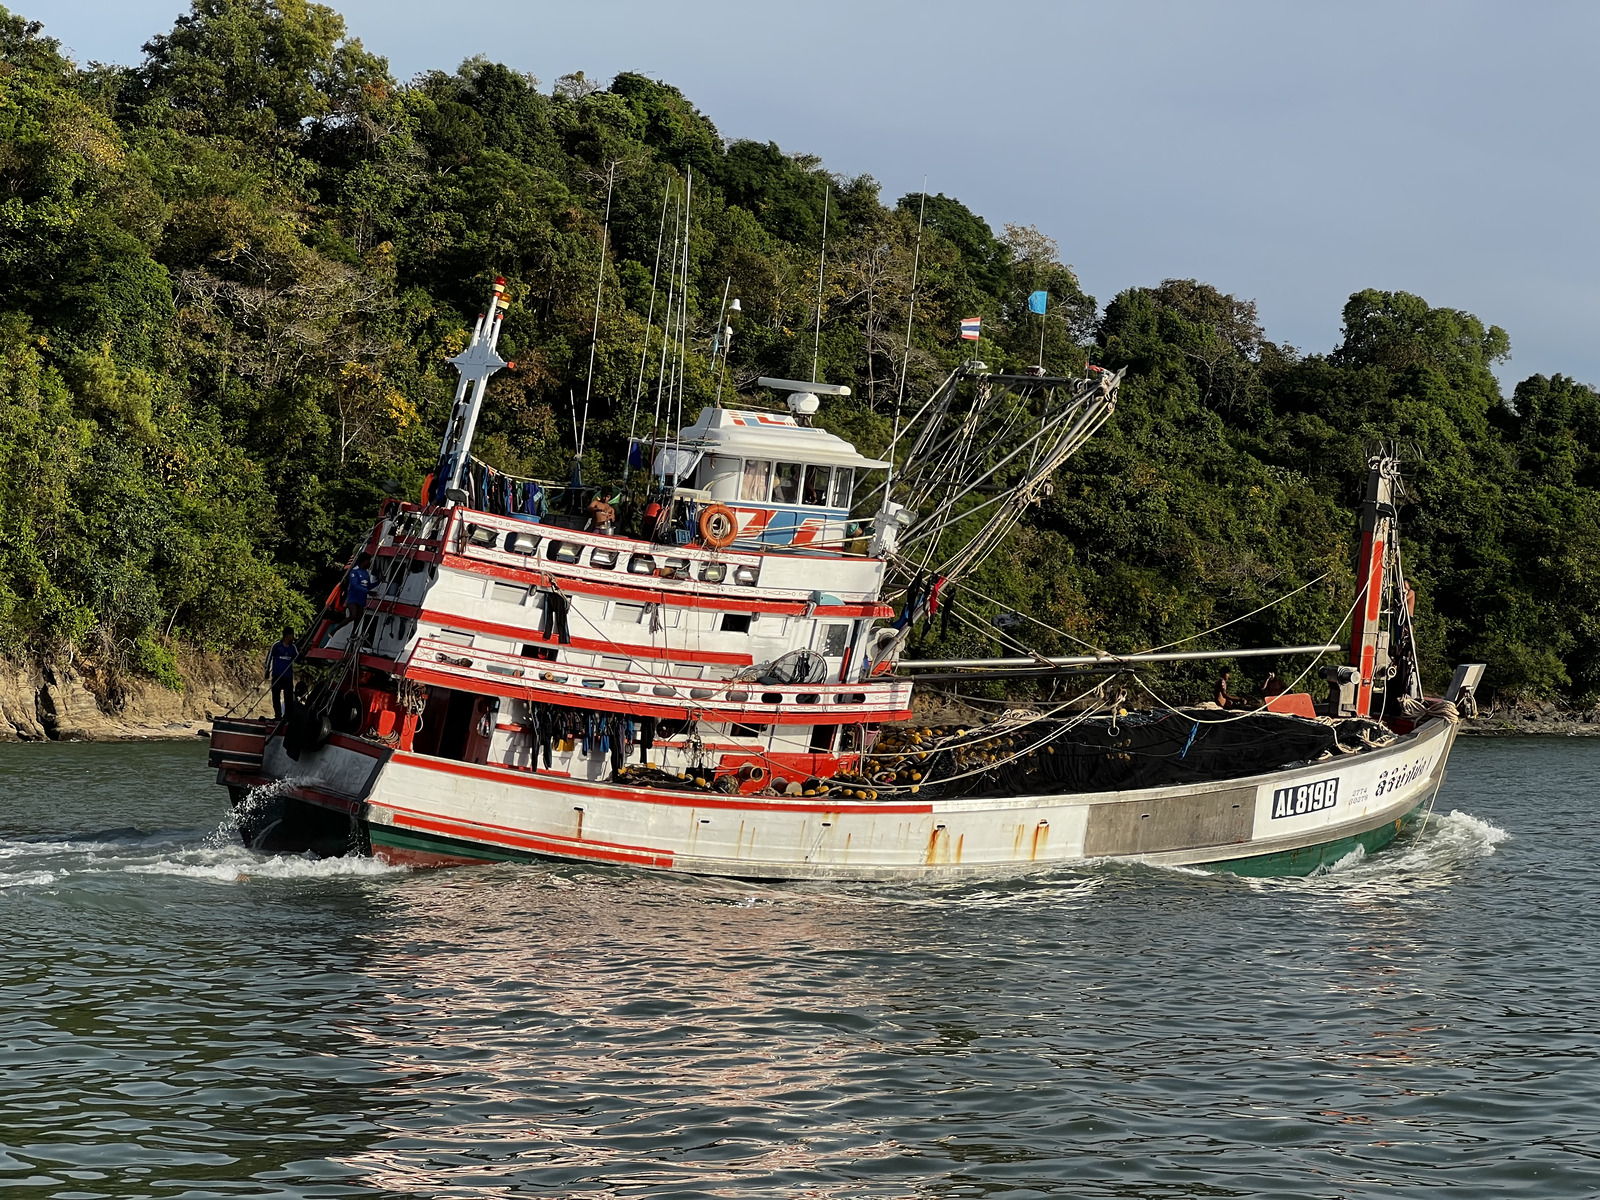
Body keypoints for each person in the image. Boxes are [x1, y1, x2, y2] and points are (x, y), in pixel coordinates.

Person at [266, 629, 297, 720]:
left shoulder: (293, 648)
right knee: (276, 697)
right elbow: (269, 657)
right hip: (277, 676)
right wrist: (267, 670)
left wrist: (302, 653)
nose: (293, 637)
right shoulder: (276, 646)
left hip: (288, 677)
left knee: (288, 699)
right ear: (287, 636)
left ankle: (287, 717)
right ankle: (278, 716)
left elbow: (297, 659)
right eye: (292, 635)